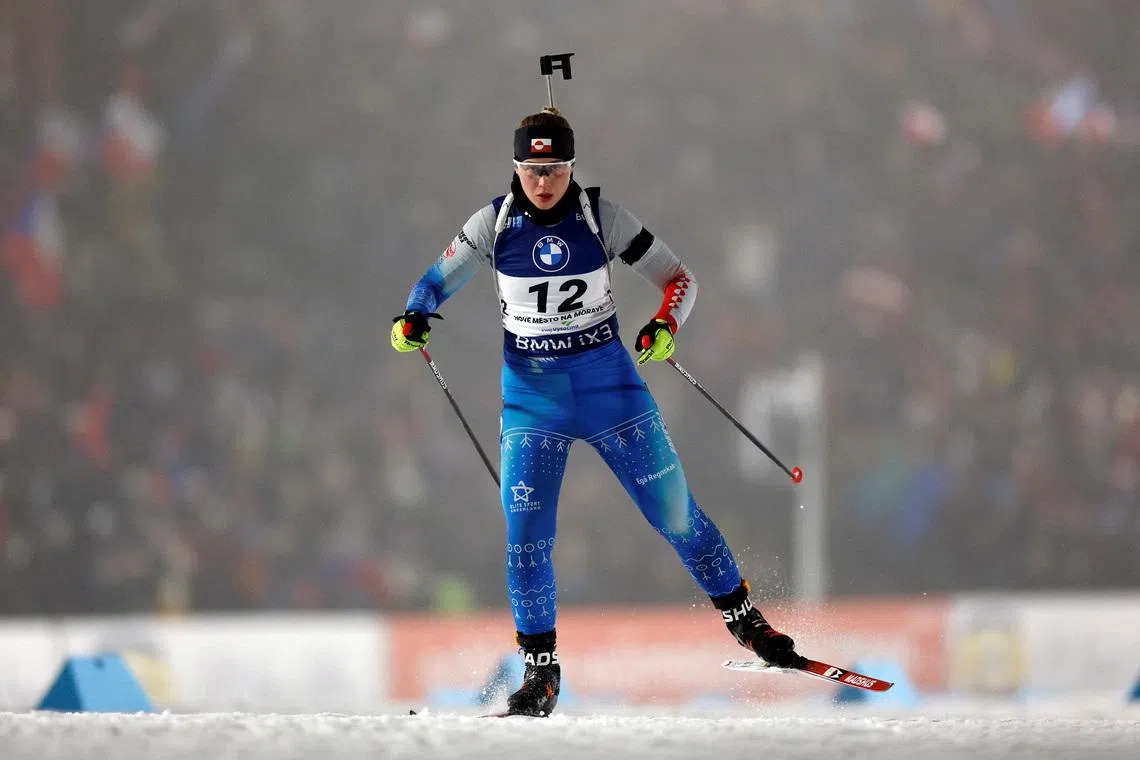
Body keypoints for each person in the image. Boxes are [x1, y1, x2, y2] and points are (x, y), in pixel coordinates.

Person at [391, 107, 805, 716]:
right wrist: (413, 317)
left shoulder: (601, 216)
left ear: (571, 167)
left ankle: (748, 623)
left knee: (677, 516)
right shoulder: (493, 222)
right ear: (516, 167)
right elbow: (432, 281)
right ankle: (541, 674)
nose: (543, 181)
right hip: (533, 400)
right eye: (533, 169)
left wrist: (666, 325)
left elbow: (679, 277)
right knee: (527, 539)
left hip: (610, 390)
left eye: (554, 168)